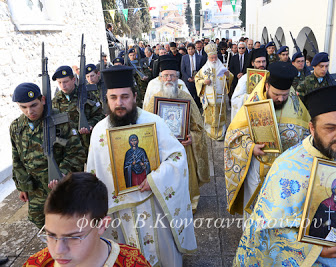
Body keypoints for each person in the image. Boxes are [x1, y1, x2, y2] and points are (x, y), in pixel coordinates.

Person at [234, 85, 336, 266]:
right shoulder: (287, 166)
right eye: (330, 128)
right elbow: (267, 228)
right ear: (312, 127)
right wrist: (313, 248)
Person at [87, 65, 196, 266]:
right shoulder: (99, 132)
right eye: (113, 97)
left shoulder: (153, 122)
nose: (119, 103)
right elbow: (93, 173)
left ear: (135, 96)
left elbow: (177, 156)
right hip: (119, 210)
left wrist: (154, 179)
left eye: (125, 96)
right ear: (107, 99)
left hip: (153, 202)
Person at [225, 62, 310, 219]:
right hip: (259, 168)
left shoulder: (297, 107)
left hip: (286, 173)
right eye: (276, 94)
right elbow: (233, 135)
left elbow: (307, 136)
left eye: (285, 95)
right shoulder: (253, 103)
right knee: (254, 213)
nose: (280, 98)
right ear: (267, 86)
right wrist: (250, 147)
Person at [23, 172, 151, 267]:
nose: (58, 250)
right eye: (50, 235)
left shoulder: (133, 263)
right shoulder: (36, 264)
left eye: (73, 237)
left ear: (102, 225)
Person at [10, 83, 86, 228]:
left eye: (33, 105)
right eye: (23, 107)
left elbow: (76, 153)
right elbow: (16, 158)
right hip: (35, 189)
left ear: (43, 100)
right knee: (41, 223)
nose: (29, 111)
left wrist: (62, 173)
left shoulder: (60, 121)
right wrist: (22, 186)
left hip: (60, 186)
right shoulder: (16, 127)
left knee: (69, 223)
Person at [143, 57, 210, 214]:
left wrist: (192, 137)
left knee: (185, 178)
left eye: (172, 76)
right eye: (166, 76)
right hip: (162, 151)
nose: (169, 79)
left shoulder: (186, 98)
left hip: (183, 149)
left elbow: (198, 126)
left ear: (177, 77)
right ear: (160, 78)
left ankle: (188, 204)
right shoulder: (154, 99)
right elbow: (146, 128)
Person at [52, 65, 104, 156]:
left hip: (89, 144)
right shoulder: (56, 100)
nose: (63, 85)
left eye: (66, 82)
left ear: (73, 80)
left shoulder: (87, 95)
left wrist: (90, 124)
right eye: (59, 82)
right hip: (70, 149)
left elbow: (100, 115)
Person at [195, 43, 233, 140]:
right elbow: (197, 79)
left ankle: (221, 132)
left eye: (215, 57)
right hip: (209, 98)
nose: (214, 60)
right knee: (210, 116)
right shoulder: (204, 69)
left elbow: (230, 78)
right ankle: (210, 131)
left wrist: (228, 75)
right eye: (211, 58)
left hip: (220, 97)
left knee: (220, 114)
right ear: (208, 58)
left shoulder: (222, 67)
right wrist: (204, 81)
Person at [230, 48, 268, 121]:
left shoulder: (270, 76)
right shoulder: (245, 79)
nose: (261, 64)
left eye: (264, 61)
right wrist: (253, 97)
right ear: (252, 63)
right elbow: (235, 99)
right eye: (258, 62)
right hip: (250, 114)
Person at [309, 177, 336, 243]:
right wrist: (324, 224)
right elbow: (314, 227)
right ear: (334, 189)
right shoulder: (324, 204)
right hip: (321, 240)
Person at [181, 43, 207, 110]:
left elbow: (202, 69)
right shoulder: (184, 58)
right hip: (188, 80)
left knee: (198, 94)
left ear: (194, 49)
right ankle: (191, 108)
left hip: (198, 79)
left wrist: (197, 78)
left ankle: (199, 108)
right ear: (187, 50)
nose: (190, 51)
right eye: (189, 49)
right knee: (190, 95)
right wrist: (188, 78)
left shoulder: (200, 57)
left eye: (192, 49)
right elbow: (183, 70)